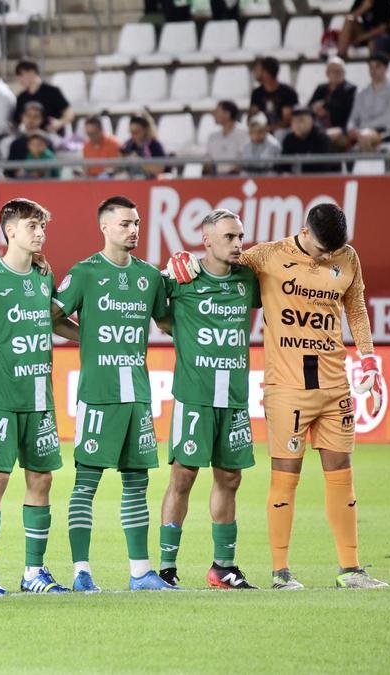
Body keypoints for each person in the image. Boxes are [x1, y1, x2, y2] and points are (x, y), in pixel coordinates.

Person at [166, 203, 389, 591]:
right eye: (321, 249)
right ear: (304, 233)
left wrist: (368, 358)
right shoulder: (266, 256)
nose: (326, 257)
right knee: (285, 477)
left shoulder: (347, 257)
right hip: (286, 386)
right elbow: (215, 263)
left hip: (335, 383)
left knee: (342, 473)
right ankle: (281, 572)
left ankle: (350, 570)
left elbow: (355, 307)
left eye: (333, 251)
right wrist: (179, 262)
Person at [51, 196, 175, 592]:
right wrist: (86, 337)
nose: (133, 229)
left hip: (138, 394)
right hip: (99, 394)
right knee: (86, 483)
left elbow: (166, 322)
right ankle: (81, 572)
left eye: (136, 223)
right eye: (125, 223)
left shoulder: (150, 277)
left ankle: (141, 573)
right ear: (104, 227)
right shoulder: (85, 272)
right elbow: (51, 316)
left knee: (137, 483)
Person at [0, 198, 77, 595]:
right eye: (32, 226)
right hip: (1, 396)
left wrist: (93, 339)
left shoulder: (44, 276)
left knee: (41, 479)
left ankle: (33, 572)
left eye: (42, 226)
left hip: (40, 397)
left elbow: (53, 320)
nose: (40, 233)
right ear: (10, 230)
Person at [154, 209, 259, 590]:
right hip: (194, 396)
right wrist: (166, 270)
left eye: (240, 236)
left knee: (230, 477)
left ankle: (223, 567)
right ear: (206, 240)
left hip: (234, 397)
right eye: (229, 237)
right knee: (183, 476)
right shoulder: (183, 277)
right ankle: (166, 568)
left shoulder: (248, 279)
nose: (238, 244)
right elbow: (156, 309)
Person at [346, 53, 390, 151]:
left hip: (388, 131)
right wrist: (351, 128)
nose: (373, 70)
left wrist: (364, 127)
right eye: (370, 67)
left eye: (377, 66)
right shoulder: (361, 91)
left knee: (364, 137)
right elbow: (354, 116)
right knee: (337, 138)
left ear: (386, 68)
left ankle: (368, 161)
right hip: (362, 130)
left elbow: (388, 117)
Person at [13, 61, 73, 134]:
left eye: (21, 75)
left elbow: (69, 112)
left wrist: (60, 123)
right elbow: (16, 121)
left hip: (51, 134)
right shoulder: (21, 97)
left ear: (31, 72)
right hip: (30, 136)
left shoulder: (52, 91)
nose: (19, 79)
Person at [309, 58, 357, 147]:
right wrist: (315, 109)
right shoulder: (321, 89)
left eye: (340, 71)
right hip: (317, 127)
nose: (337, 74)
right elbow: (309, 107)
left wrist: (326, 108)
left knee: (324, 137)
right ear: (327, 73)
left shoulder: (350, 90)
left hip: (341, 129)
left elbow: (347, 110)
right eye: (334, 71)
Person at [282, 107, 341, 174]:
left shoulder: (321, 138)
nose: (297, 125)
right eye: (294, 121)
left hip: (324, 177)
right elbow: (283, 166)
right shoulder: (289, 140)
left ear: (311, 121)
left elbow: (323, 167)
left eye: (301, 120)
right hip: (296, 178)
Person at [249, 56, 297, 136]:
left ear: (266, 72)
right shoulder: (257, 93)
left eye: (257, 69)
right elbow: (253, 116)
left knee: (279, 134)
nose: (255, 72)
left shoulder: (287, 92)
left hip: (285, 131)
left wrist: (269, 128)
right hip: (264, 130)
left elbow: (287, 121)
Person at [6, 102, 52, 177]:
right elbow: (9, 171)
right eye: (28, 115)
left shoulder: (47, 142)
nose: (31, 120)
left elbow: (52, 167)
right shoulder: (16, 144)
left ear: (41, 119)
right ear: (22, 117)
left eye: (36, 116)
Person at [206, 101, 247, 175]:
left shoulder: (243, 133)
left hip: (237, 177)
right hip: (215, 177)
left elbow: (244, 158)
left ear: (227, 114)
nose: (214, 114)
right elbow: (208, 159)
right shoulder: (212, 136)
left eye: (217, 111)